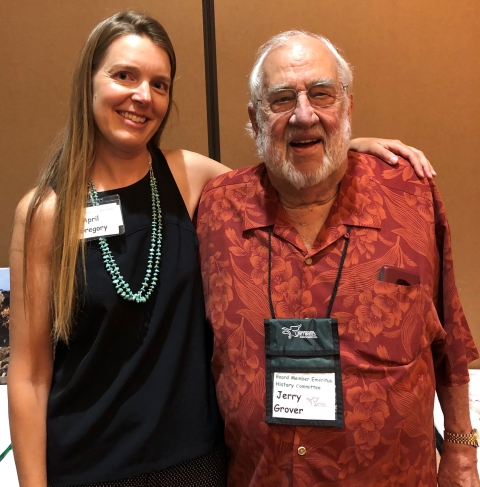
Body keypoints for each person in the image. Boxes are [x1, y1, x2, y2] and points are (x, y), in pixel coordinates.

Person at [8, 11, 435, 487]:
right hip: (89, 466)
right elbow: (28, 375)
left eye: (160, 83)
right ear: (89, 82)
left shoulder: (188, 178)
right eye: (124, 75)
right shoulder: (47, 213)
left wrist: (345, 146)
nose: (142, 96)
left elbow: (283, 170)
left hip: (196, 464)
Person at [196, 30, 480, 487]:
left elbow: (450, 334)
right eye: (282, 100)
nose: (303, 115)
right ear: (254, 118)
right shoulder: (217, 208)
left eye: (321, 95)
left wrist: (462, 450)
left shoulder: (410, 192)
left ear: (347, 106)